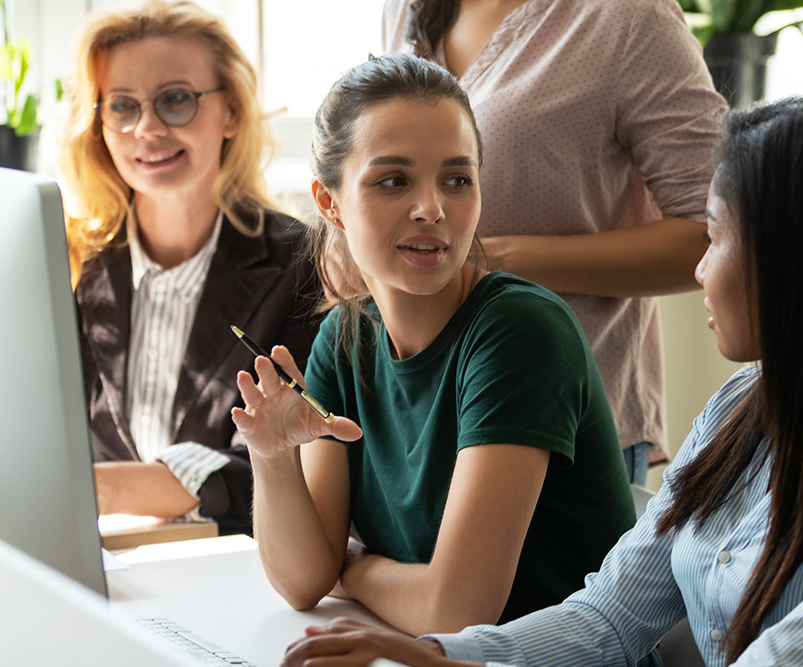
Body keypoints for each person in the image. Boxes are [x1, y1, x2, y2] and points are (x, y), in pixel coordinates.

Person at [280, 88, 803, 666]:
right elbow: (609, 616)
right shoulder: (740, 409)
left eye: (717, 234)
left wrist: (371, 583)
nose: (699, 268)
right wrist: (440, 656)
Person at [231, 53, 636, 637]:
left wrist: (353, 568)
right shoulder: (343, 341)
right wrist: (270, 459)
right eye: (393, 180)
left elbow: (455, 610)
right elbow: (300, 582)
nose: (432, 208)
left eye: (457, 179)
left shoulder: (519, 331)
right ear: (328, 202)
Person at [382, 0, 728, 484]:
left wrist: (494, 260)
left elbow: (713, 230)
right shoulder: (406, 7)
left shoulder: (627, 16)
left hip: (557, 418)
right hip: (418, 412)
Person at [60, 0, 320, 536]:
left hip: (238, 574)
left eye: (175, 99)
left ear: (230, 111)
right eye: (122, 106)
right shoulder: (73, 265)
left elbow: (295, 466)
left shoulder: (303, 264)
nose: (148, 128)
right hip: (103, 567)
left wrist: (90, 489)